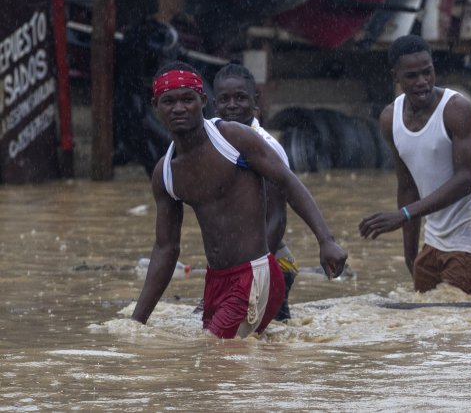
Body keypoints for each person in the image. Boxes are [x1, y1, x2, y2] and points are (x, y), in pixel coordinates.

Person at [132, 62, 348, 338]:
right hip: (216, 280)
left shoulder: (234, 139)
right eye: (169, 101)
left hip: (256, 272)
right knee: (229, 364)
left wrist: (326, 240)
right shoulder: (165, 172)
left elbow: (288, 183)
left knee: (214, 355)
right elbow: (166, 248)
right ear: (156, 106)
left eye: (188, 99)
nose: (179, 108)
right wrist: (136, 322)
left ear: (203, 101)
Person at [358, 36, 471, 298]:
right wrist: (410, 254)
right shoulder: (390, 118)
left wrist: (404, 215)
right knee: (427, 324)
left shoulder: (457, 109)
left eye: (427, 72)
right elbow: (407, 186)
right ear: (396, 77)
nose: (422, 81)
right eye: (412, 76)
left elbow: (465, 181)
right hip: (433, 238)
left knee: (460, 325)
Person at [211, 63, 298, 321]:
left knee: (264, 341)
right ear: (214, 104)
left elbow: (277, 219)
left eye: (241, 98)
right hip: (235, 265)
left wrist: (251, 274)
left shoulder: (268, 149)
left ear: (255, 101)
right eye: (225, 99)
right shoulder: (213, 144)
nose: (232, 105)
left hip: (271, 262)